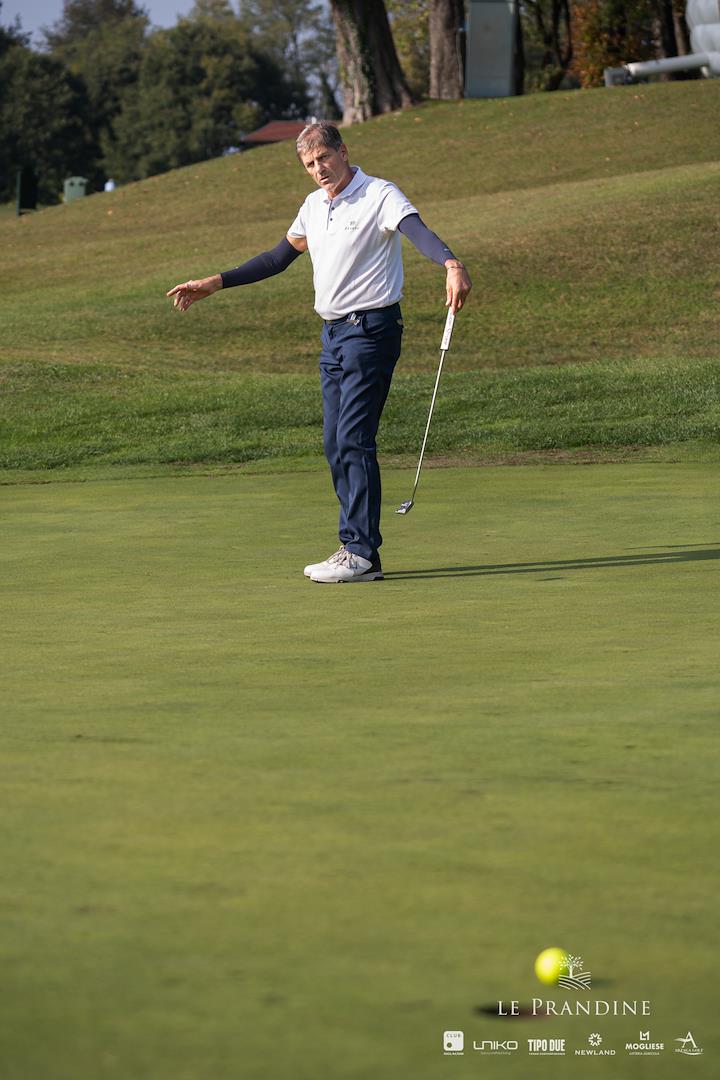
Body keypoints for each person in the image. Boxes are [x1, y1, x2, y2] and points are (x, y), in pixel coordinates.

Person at [167, 121, 471, 584]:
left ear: (342, 151)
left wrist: (450, 262)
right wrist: (217, 282)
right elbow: (276, 258)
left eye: (324, 158)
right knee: (335, 441)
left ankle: (360, 551)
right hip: (332, 336)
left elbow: (417, 231)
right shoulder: (313, 206)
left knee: (353, 437)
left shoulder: (379, 194)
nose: (318, 169)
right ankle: (358, 552)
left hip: (371, 331)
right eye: (309, 164)